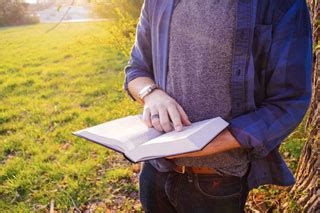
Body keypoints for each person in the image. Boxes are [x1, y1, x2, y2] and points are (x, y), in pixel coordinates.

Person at [123, 0, 313, 212]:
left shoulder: (281, 4)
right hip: (155, 170)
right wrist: (152, 95)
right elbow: (136, 70)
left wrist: (212, 142)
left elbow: (289, 102)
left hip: (217, 183)